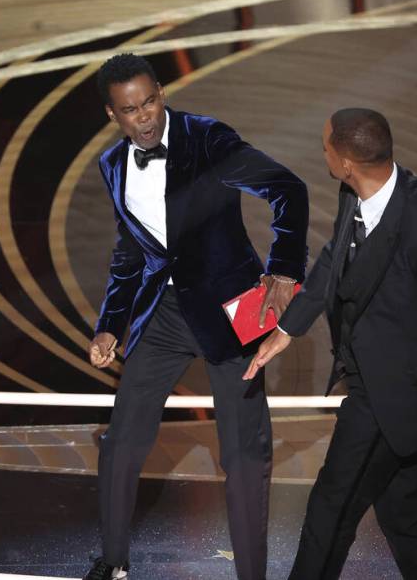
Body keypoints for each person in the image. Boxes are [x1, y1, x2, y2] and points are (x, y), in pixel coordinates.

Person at [83, 53, 309, 580]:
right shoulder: (113, 165)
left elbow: (288, 189)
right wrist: (111, 323)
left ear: (162, 92)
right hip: (161, 316)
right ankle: (113, 563)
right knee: (121, 443)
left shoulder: (207, 138)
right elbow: (131, 253)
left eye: (151, 102)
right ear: (111, 115)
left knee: (243, 456)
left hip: (232, 314)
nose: (144, 117)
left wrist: (283, 270)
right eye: (130, 110)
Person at [245, 108, 417, 579]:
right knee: (404, 517)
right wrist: (289, 327)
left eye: (326, 147)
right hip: (372, 382)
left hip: (393, 396)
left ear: (347, 161)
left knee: (329, 510)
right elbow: (336, 258)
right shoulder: (353, 193)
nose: (324, 154)